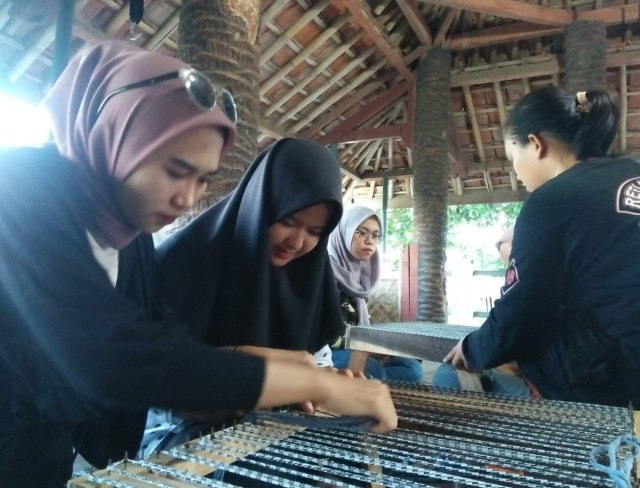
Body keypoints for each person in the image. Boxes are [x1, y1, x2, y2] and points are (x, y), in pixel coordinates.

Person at [0, 41, 396, 487]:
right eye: (175, 169)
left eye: (202, 180)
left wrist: (275, 366)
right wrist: (319, 386)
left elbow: (158, 345)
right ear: (118, 133)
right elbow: (118, 358)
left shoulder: (131, 242)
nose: (187, 199)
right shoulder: (17, 193)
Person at [141, 137, 352, 455]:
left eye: (314, 232)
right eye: (288, 221)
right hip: (177, 434)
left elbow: (313, 359)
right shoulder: (184, 264)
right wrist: (247, 372)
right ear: (261, 204)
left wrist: (325, 382)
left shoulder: (305, 277)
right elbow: (152, 384)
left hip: (271, 430)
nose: (297, 242)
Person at [435, 86, 640, 408]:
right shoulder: (630, 174)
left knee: (448, 376)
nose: (516, 172)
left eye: (512, 156)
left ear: (535, 144)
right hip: (620, 358)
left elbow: (523, 310)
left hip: (613, 391)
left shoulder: (553, 199)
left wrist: (473, 348)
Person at [328, 206, 423, 382]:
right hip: (326, 353)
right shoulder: (325, 275)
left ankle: (374, 380)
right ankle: (375, 379)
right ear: (344, 233)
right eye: (361, 233)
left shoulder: (360, 278)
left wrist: (377, 347)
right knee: (371, 367)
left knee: (412, 367)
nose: (370, 241)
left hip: (358, 348)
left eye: (375, 235)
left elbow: (361, 325)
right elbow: (324, 335)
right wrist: (368, 347)